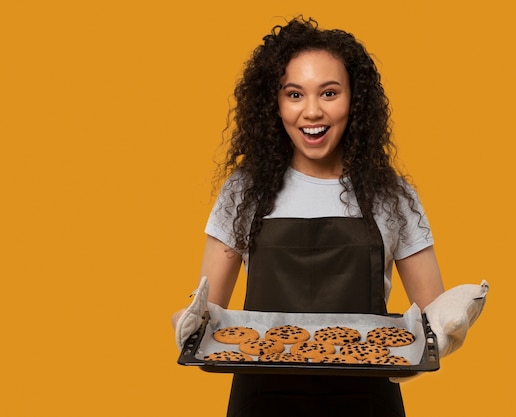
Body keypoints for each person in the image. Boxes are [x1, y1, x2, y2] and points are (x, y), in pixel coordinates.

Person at [173, 16, 445, 417]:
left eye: (329, 93)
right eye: (294, 94)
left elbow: (433, 314)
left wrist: (444, 327)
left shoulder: (391, 195)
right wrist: (187, 322)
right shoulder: (243, 191)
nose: (312, 111)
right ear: (275, 103)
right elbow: (209, 312)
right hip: (261, 400)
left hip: (367, 401)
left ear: (355, 101)